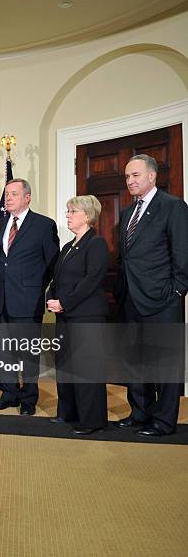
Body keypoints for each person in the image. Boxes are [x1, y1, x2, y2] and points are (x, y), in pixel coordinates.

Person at [114, 154, 188, 436]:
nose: (130, 181)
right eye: (127, 177)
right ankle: (140, 413)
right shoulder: (126, 212)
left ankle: (164, 421)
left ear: (152, 176)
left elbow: (183, 255)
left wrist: (177, 291)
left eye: (135, 175)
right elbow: (127, 258)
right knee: (136, 361)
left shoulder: (173, 207)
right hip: (131, 300)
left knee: (165, 364)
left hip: (163, 300)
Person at [0, 178, 59, 415]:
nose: (8, 198)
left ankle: (28, 398)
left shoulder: (44, 225)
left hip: (28, 300)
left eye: (14, 194)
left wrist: (36, 287)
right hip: (0, 299)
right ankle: (9, 394)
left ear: (27, 197)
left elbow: (52, 263)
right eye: (6, 194)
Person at [46, 195, 109, 435]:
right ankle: (68, 412)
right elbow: (57, 278)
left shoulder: (96, 244)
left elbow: (90, 281)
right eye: (68, 211)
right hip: (65, 315)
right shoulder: (68, 246)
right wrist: (52, 299)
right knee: (66, 365)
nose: (68, 215)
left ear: (88, 215)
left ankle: (91, 420)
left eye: (72, 211)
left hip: (86, 317)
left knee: (86, 368)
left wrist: (64, 302)